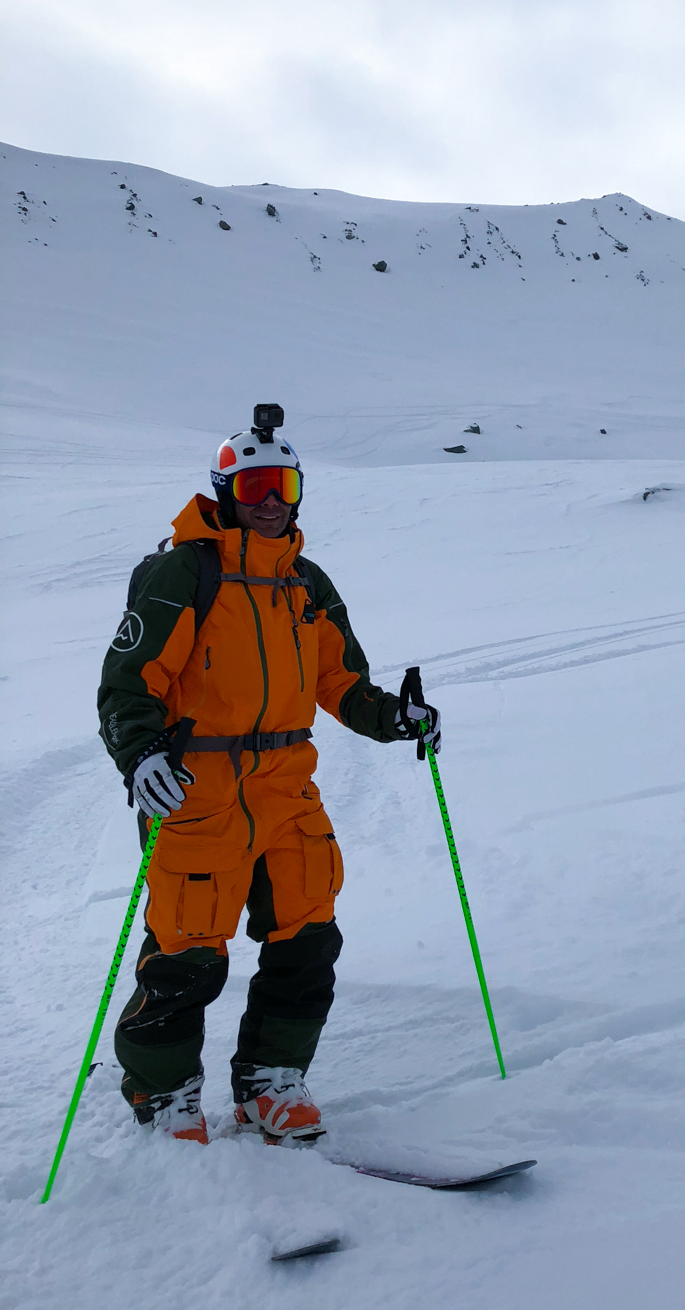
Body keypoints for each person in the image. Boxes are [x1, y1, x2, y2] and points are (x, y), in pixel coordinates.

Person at [97, 404, 439, 1144]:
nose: (272, 501)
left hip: (285, 788)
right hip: (195, 790)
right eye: (255, 487)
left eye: (284, 485)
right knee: (188, 952)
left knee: (308, 938)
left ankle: (271, 1080)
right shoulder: (184, 573)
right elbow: (128, 684)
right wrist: (141, 754)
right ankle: (163, 1090)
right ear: (226, 492)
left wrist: (396, 717)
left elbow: (341, 682)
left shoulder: (306, 583)